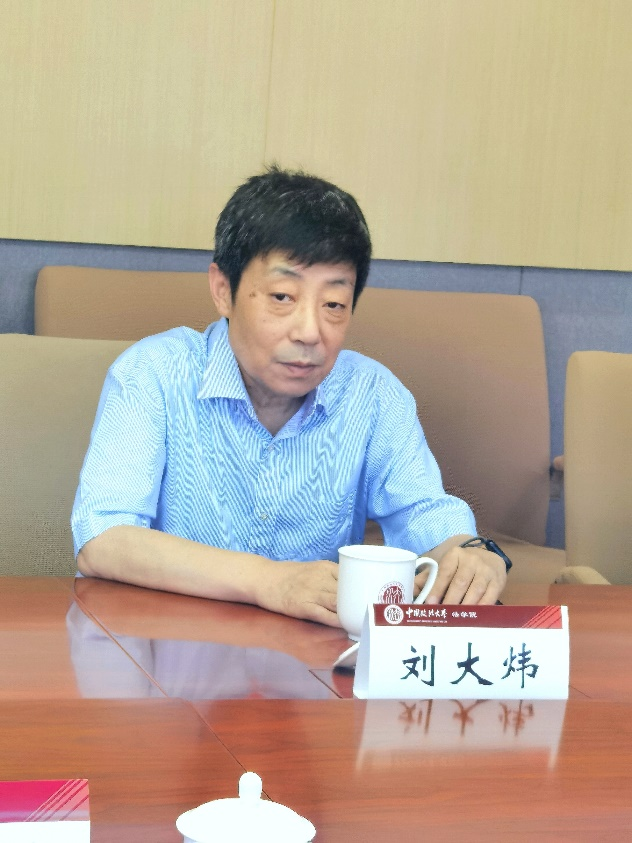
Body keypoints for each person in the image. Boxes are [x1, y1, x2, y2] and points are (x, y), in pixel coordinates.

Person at [72, 166, 508, 627]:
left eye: (333, 305)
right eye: (282, 297)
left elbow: (423, 513)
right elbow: (104, 539)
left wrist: (472, 554)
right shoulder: (153, 373)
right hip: (167, 650)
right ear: (223, 290)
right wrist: (269, 581)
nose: (309, 332)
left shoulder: (373, 394)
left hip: (311, 659)